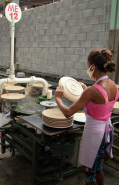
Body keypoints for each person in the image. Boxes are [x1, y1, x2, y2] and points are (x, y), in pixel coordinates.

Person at [54, 48, 118, 185]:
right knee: (98, 166)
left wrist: (58, 98)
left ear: (93, 66)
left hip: (95, 135)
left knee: (89, 172)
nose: (88, 69)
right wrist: (85, 90)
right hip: (107, 131)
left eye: (88, 66)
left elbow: (68, 112)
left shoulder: (92, 91)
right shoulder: (113, 85)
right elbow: (101, 101)